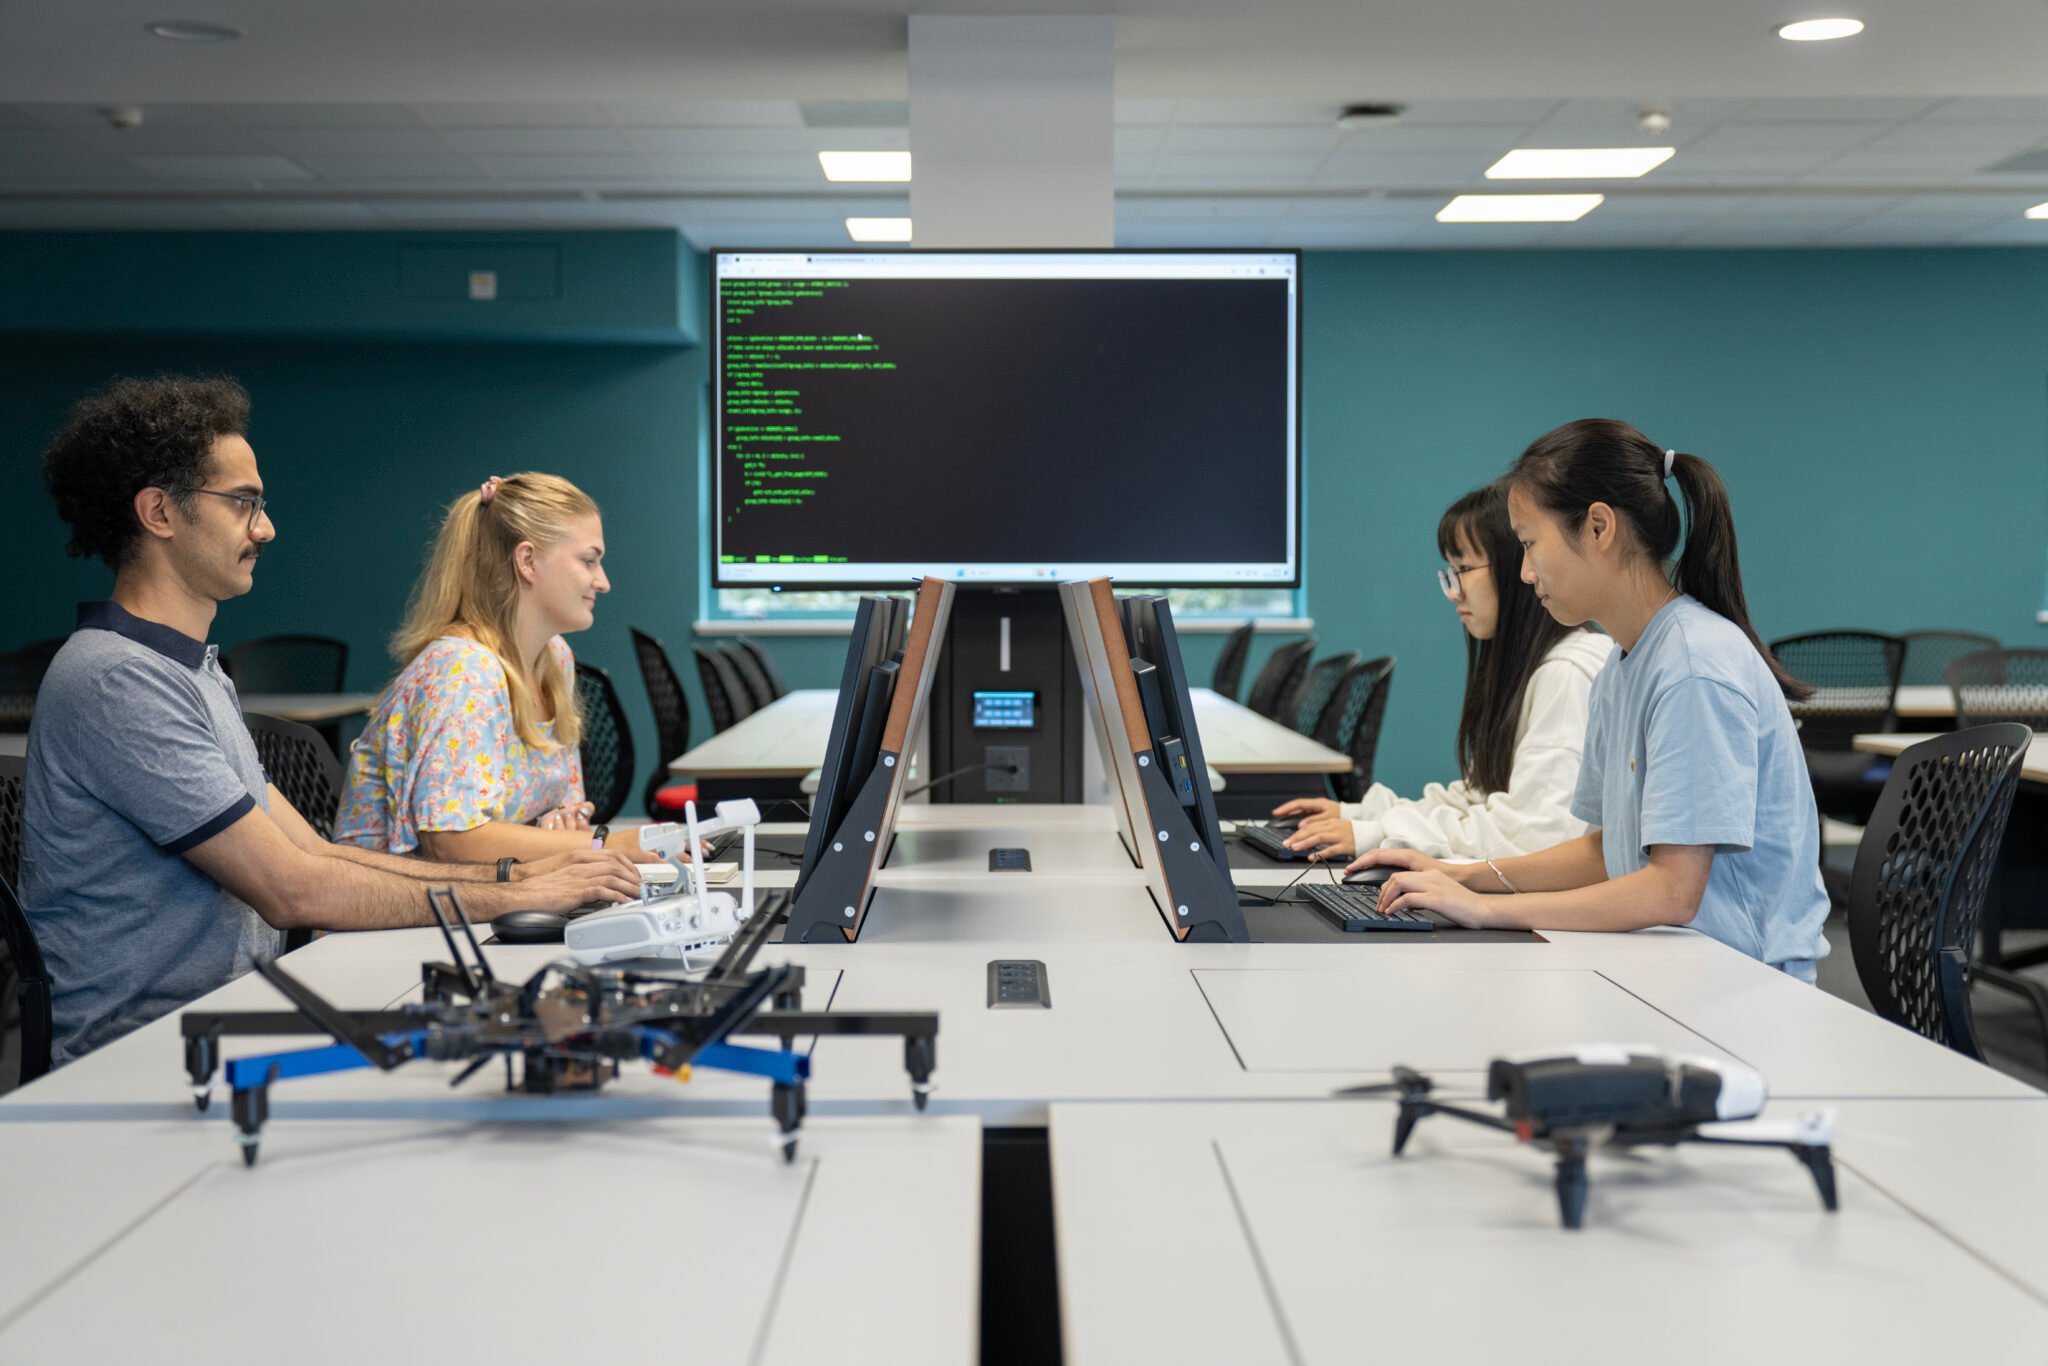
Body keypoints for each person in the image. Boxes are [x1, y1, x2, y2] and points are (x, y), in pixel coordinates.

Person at [23, 376, 642, 1065]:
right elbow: (291, 891)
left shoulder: (195, 673)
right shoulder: (117, 679)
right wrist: (509, 893)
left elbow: (313, 853)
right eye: (244, 503)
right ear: (159, 513)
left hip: (234, 1013)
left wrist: (515, 882)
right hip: (145, 1054)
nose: (266, 527)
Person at [1354, 419, 1829, 981]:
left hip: (1745, 985)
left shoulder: (1694, 666)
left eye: (1530, 544)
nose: (1526, 572)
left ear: (1599, 527)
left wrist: (1486, 911)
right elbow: (1607, 853)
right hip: (1674, 965)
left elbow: (1672, 892)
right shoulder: (1621, 663)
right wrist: (1463, 875)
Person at [1270, 483, 1612, 861]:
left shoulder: (1566, 673)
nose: (1454, 592)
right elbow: (1480, 796)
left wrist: (1378, 833)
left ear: (1521, 566)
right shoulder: (1532, 667)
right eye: (1450, 572)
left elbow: (1534, 835)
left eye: (1463, 569)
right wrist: (1362, 815)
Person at [335, 472, 661, 864]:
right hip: (393, 914)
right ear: (527, 561)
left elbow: (555, 817)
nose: (603, 582)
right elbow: (452, 841)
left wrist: (560, 826)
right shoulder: (463, 670)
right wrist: (606, 844)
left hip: (494, 899)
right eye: (588, 561)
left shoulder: (555, 658)